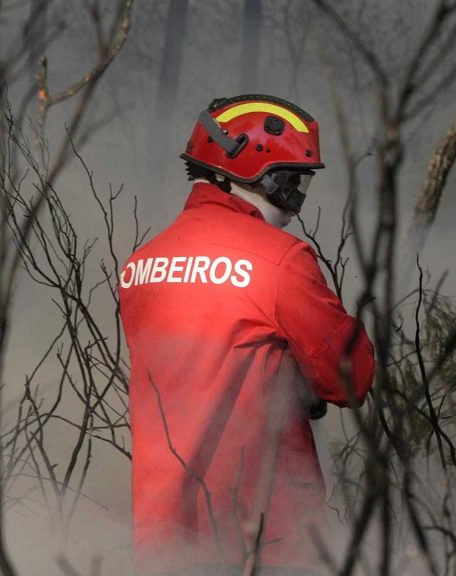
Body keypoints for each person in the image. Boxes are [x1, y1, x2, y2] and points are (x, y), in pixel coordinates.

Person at [119, 94, 375, 575]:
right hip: (262, 534)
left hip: (163, 536)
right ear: (255, 175)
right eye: (291, 186)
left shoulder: (141, 264)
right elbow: (350, 378)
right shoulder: (280, 260)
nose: (295, 206)